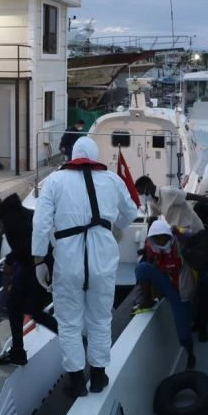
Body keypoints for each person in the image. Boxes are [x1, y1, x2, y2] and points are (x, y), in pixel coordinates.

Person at [32, 136, 138, 397]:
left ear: (72, 155)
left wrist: (38, 260)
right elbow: (131, 213)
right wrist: (116, 223)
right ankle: (99, 375)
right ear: (95, 155)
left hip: (68, 262)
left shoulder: (55, 181)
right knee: (101, 319)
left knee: (69, 322)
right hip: (103, 260)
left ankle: (77, 381)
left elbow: (41, 223)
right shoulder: (113, 180)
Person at [0, 184, 59, 366]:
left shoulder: (12, 217)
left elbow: (28, 243)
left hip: (39, 264)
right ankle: (17, 352)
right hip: (30, 264)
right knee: (14, 305)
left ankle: (73, 340)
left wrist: (9, 260)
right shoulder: (10, 213)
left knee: (33, 310)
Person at [135, 219, 197, 368]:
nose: (161, 240)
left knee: (183, 328)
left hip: (180, 289)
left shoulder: (179, 243)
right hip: (166, 284)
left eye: (164, 237)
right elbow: (148, 267)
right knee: (142, 268)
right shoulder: (151, 247)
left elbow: (193, 237)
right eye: (157, 238)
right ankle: (147, 300)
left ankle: (190, 353)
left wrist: (179, 230)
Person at [134, 175, 208, 235]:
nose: (141, 196)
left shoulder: (168, 192)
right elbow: (152, 220)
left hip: (194, 229)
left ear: (147, 187)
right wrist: (148, 238)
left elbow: (195, 197)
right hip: (179, 232)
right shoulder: (153, 203)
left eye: (140, 192)